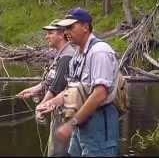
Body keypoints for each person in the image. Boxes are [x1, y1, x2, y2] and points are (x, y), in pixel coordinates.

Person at [51, 8, 120, 156]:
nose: (66, 32)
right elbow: (72, 90)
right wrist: (50, 103)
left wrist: (71, 123)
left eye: (71, 27)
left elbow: (99, 94)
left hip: (100, 122)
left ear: (85, 27)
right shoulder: (77, 55)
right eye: (65, 28)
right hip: (82, 123)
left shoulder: (100, 52)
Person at [16, 19, 75, 156]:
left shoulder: (67, 56)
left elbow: (56, 89)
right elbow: (50, 81)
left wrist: (40, 106)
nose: (46, 36)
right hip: (58, 111)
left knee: (59, 152)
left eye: (50, 33)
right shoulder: (60, 55)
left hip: (65, 114)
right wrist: (33, 90)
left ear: (61, 35)